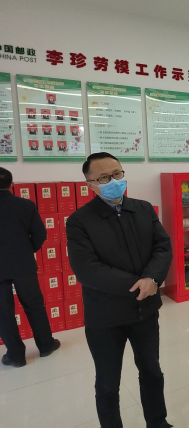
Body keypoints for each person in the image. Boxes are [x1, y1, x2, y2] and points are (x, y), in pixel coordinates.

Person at [66, 152, 173, 428]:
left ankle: (158, 422)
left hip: (145, 311)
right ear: (90, 185)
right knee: (108, 382)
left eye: (117, 174)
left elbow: (162, 246)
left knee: (151, 371)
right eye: (104, 178)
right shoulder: (79, 221)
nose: (113, 181)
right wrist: (139, 284)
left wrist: (152, 278)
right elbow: (87, 269)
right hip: (105, 316)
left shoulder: (143, 209)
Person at [0, 167, 60, 367]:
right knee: (34, 306)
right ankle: (46, 345)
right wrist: (26, 251)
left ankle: (16, 356)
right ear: (12, 185)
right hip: (23, 264)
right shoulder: (26, 205)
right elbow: (40, 234)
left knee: (3, 312)